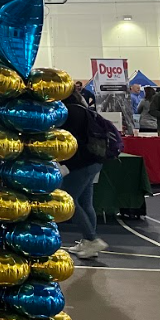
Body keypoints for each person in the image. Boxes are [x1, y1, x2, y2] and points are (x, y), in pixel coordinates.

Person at [61, 91, 108, 259]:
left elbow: (72, 144)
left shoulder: (70, 112)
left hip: (82, 163)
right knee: (85, 202)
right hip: (95, 160)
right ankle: (88, 244)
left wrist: (66, 165)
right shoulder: (83, 109)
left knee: (68, 199)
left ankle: (92, 239)